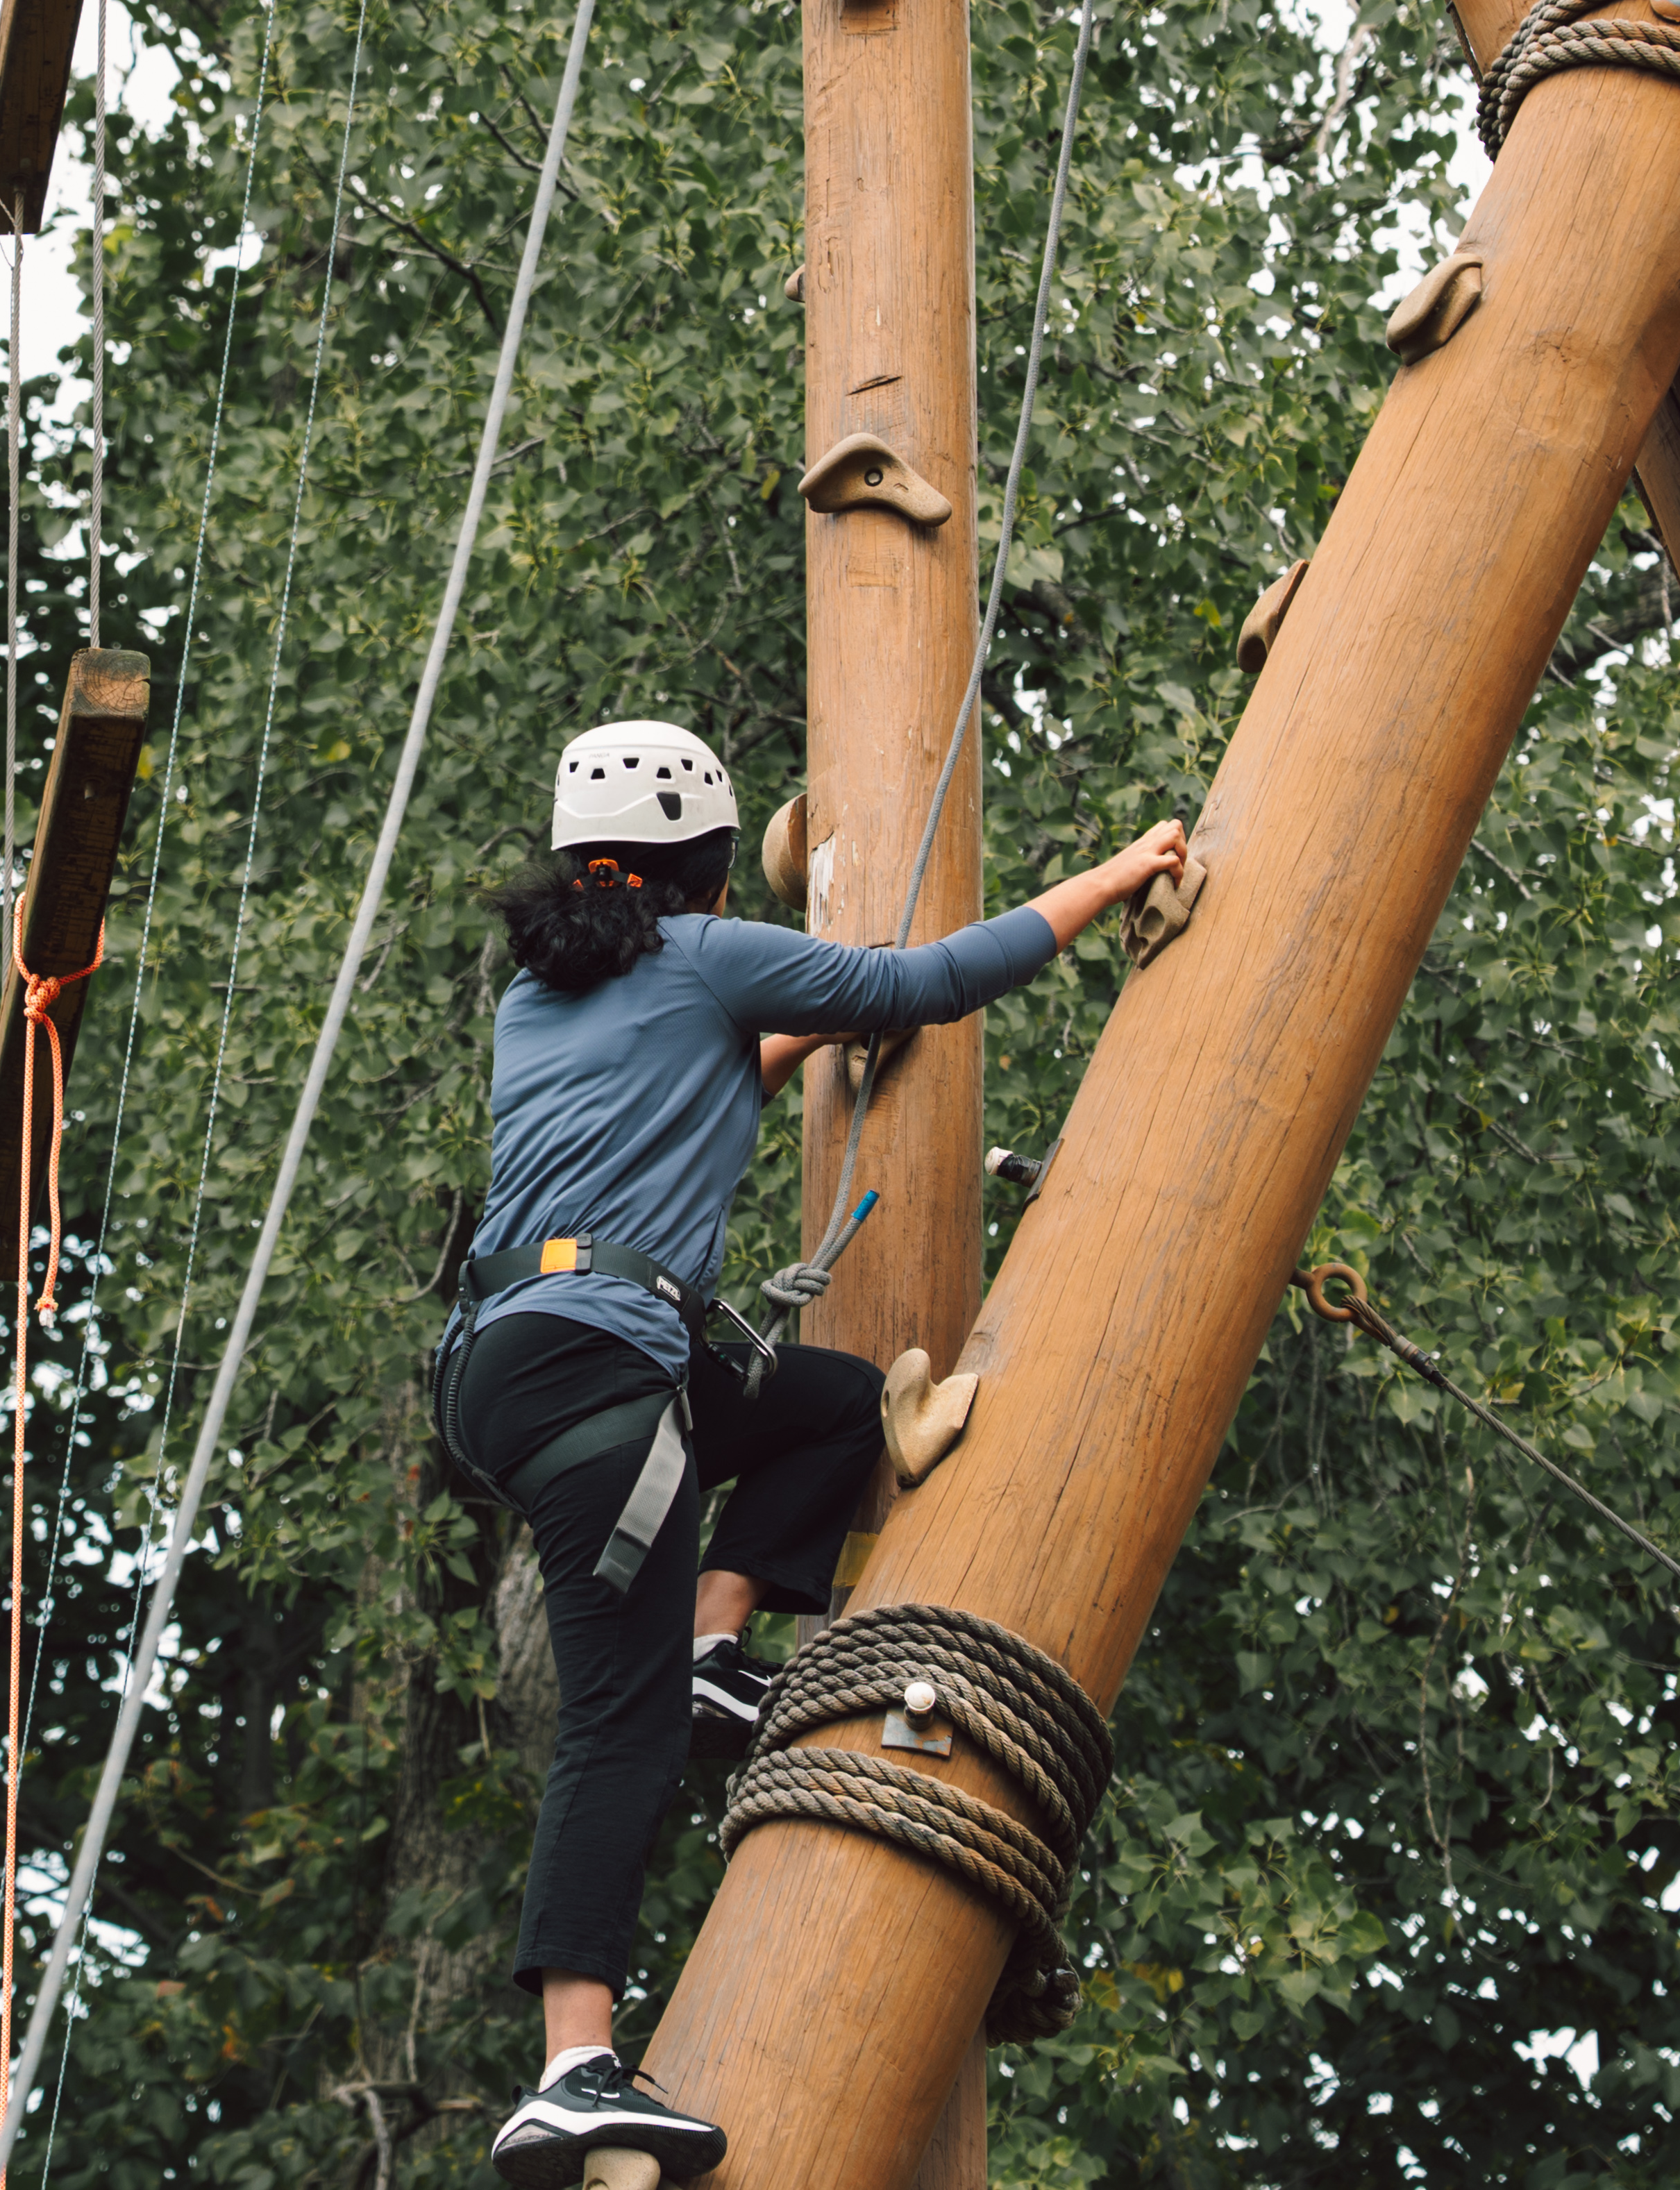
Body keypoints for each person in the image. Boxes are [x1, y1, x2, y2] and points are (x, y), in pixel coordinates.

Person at [446, 716, 1189, 2189]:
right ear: (711, 866)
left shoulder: (546, 989)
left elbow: (706, 1064)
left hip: (519, 1360)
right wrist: (1114, 874)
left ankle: (722, 1646)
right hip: (603, 1365)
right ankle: (570, 2068)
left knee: (830, 1398)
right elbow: (927, 983)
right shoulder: (709, 954)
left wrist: (802, 1029)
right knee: (616, 1725)